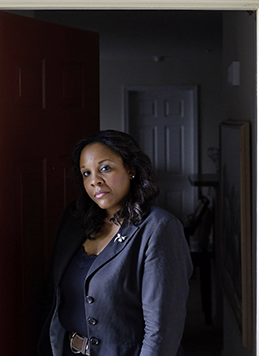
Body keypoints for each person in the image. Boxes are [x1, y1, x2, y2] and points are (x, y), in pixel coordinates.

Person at [38, 130, 193, 356]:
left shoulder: (159, 228)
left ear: (130, 169)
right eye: (86, 173)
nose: (95, 181)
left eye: (105, 168)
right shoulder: (75, 220)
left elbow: (161, 330)